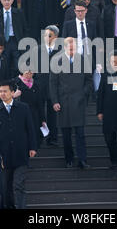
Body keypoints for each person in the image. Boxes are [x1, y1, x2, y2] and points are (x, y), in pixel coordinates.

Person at [0, 81, 37, 209]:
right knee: (5, 187)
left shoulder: (23, 108)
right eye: (0, 91)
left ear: (12, 92)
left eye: (5, 91)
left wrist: (33, 147)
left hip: (21, 152)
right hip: (3, 155)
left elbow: (30, 128)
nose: (2, 94)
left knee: (19, 184)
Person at [50, 37, 93, 169]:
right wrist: (55, 101)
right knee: (66, 134)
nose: (72, 50)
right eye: (70, 48)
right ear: (65, 48)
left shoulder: (83, 60)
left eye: (74, 47)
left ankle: (82, 160)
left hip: (78, 101)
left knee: (80, 133)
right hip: (63, 102)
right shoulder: (57, 60)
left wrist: (83, 93)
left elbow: (89, 80)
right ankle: (69, 159)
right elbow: (53, 83)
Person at [0, 0, 27, 78]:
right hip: (2, 42)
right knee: (4, 64)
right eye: (4, 0)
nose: (6, 2)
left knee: (17, 64)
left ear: (12, 1)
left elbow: (25, 28)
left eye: (8, 0)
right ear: (1, 1)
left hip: (15, 41)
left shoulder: (19, 13)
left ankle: (16, 83)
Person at [37, 26, 60, 147]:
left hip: (54, 87)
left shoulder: (60, 51)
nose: (47, 38)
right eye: (45, 35)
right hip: (40, 86)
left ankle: (53, 138)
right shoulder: (37, 50)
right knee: (40, 112)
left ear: (56, 37)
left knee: (53, 114)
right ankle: (40, 137)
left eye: (50, 35)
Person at [12, 70, 46, 149]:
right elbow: (5, 99)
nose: (29, 75)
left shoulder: (36, 84)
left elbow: (40, 103)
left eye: (31, 73)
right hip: (19, 114)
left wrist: (43, 119)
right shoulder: (14, 82)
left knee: (34, 133)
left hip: (34, 113)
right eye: (27, 73)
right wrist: (13, 96)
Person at [62, 0, 97, 70]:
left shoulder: (91, 24)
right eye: (78, 11)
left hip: (89, 57)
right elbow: (64, 42)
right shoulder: (68, 25)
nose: (80, 13)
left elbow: (95, 42)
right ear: (74, 11)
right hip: (74, 56)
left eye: (82, 11)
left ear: (86, 10)